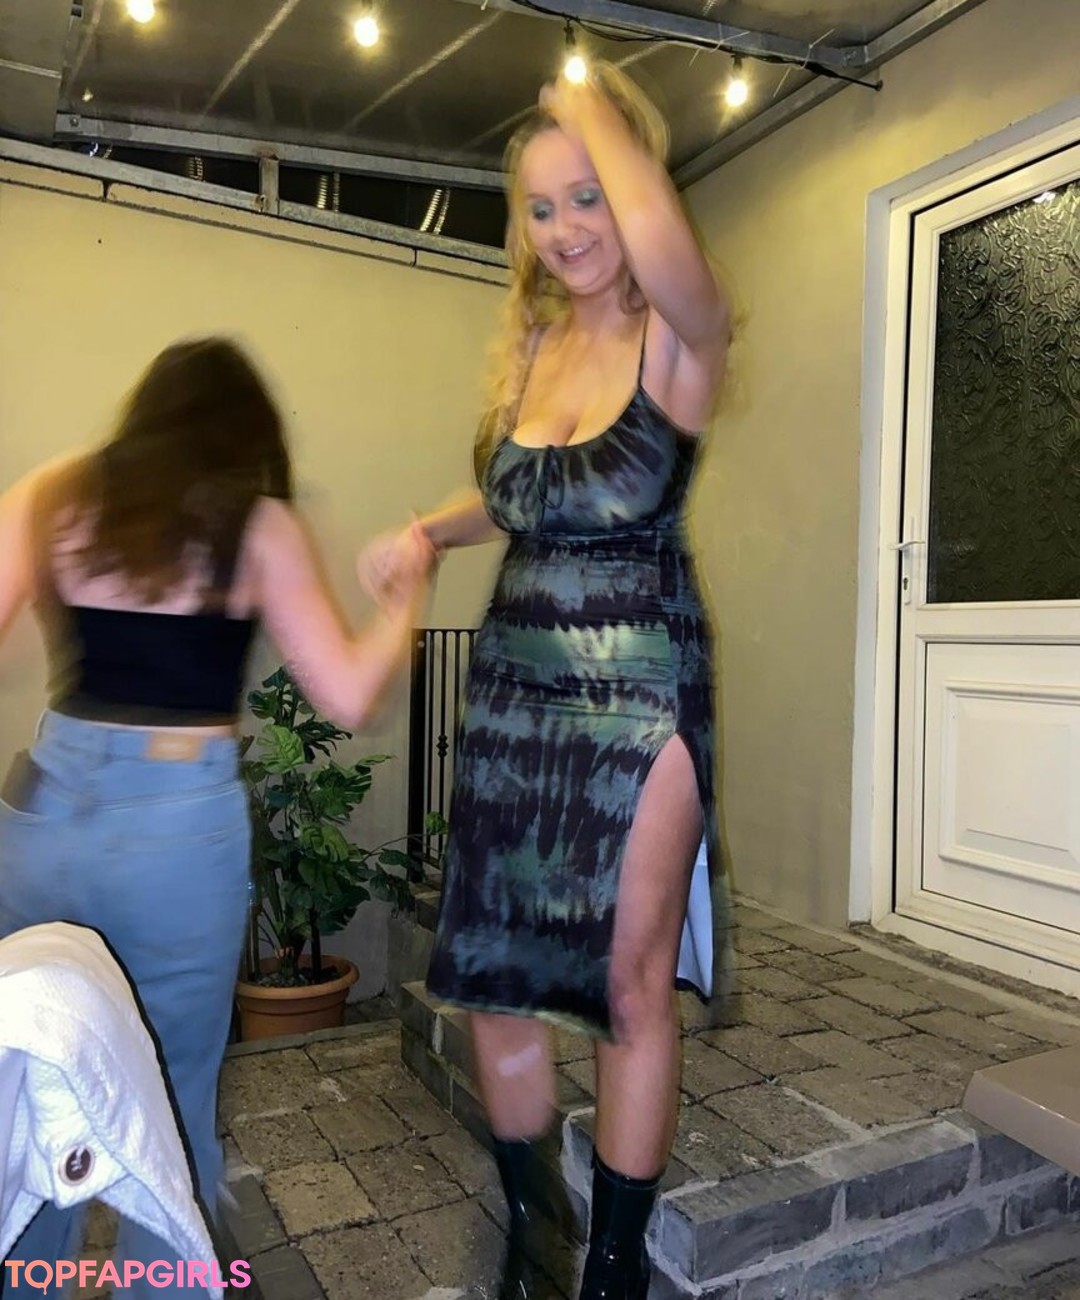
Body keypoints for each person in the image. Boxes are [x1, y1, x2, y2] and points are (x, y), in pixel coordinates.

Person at [361, 62, 732, 1300]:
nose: (567, 228)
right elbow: (524, 495)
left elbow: (674, 259)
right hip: (516, 689)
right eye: (540, 206)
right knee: (490, 971)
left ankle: (614, 1267)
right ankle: (536, 1230)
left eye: (590, 196)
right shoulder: (534, 345)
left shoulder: (680, 331)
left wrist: (587, 108)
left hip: (643, 685)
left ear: (633, 189)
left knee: (629, 980)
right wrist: (428, 531)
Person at [0, 338, 433, 1296]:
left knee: (30, 1102)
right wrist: (406, 597)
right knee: (168, 1113)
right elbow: (348, 694)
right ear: (246, 437)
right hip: (175, 834)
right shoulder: (258, 525)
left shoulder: (50, 494)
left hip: (44, 817)